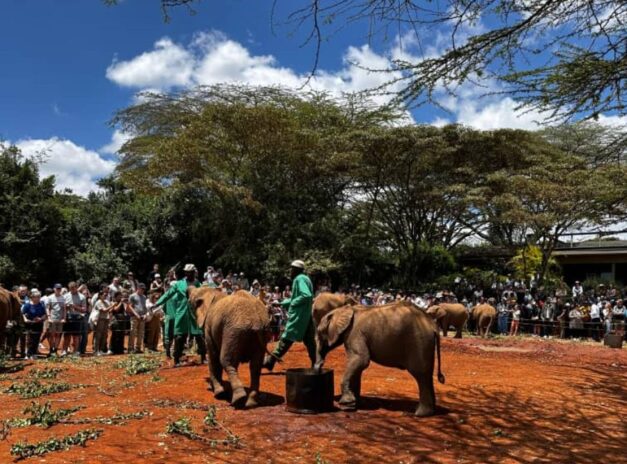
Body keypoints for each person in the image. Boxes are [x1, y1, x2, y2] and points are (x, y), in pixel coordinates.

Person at [263, 260, 316, 371]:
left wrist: (292, 303)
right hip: (306, 315)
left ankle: (270, 361)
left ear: (297, 270)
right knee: (310, 341)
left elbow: (306, 295)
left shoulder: (299, 279)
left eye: (292, 269)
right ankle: (316, 363)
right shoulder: (305, 278)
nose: (290, 271)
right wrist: (281, 302)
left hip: (299, 316)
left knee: (288, 336)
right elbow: (296, 297)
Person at [156, 264, 205, 366]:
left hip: (194, 314)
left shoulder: (198, 284)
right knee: (179, 337)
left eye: (190, 272)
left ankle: (203, 357)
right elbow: (168, 294)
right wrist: (157, 303)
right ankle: (177, 359)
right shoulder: (179, 284)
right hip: (181, 313)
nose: (188, 273)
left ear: (193, 272)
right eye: (187, 272)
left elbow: (203, 297)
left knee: (199, 335)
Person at [63, 282, 87, 356]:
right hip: (67, 317)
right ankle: (64, 351)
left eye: (73, 288)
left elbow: (84, 309)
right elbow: (62, 308)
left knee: (76, 336)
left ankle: (75, 351)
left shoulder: (82, 297)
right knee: (66, 335)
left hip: (77, 317)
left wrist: (75, 307)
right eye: (70, 288)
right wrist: (66, 307)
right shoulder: (65, 296)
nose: (72, 290)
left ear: (77, 287)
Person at [21, 290, 47, 359]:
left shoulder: (41, 305)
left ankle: (34, 353)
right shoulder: (27, 305)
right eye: (37, 297)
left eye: (39, 297)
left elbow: (45, 315)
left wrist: (40, 319)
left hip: (38, 324)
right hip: (29, 324)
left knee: (36, 339)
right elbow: (23, 314)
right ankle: (28, 354)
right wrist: (25, 319)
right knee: (29, 339)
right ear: (32, 297)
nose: (38, 298)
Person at [46, 284, 66, 356]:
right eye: (57, 288)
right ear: (54, 289)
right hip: (52, 318)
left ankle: (56, 350)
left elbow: (64, 309)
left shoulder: (63, 298)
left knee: (58, 335)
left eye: (60, 289)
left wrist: (64, 318)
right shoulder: (50, 297)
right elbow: (47, 308)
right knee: (52, 335)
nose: (58, 290)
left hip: (60, 319)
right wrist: (49, 317)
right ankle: (51, 349)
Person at [128, 283, 148, 353]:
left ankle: (138, 348)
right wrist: (136, 314)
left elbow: (145, 307)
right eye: (142, 289)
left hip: (142, 317)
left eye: (144, 289)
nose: (143, 290)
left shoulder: (144, 297)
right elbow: (130, 306)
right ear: (138, 288)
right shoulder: (132, 296)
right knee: (132, 332)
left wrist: (145, 314)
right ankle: (131, 348)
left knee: (140, 333)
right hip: (134, 316)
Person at [92, 291, 112, 355]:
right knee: (98, 335)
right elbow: (104, 310)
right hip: (99, 320)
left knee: (104, 335)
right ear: (100, 296)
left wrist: (111, 307)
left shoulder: (107, 302)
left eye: (106, 295)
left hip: (106, 319)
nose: (105, 296)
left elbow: (110, 310)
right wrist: (112, 306)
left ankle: (101, 350)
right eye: (104, 295)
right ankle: (96, 350)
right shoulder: (98, 302)